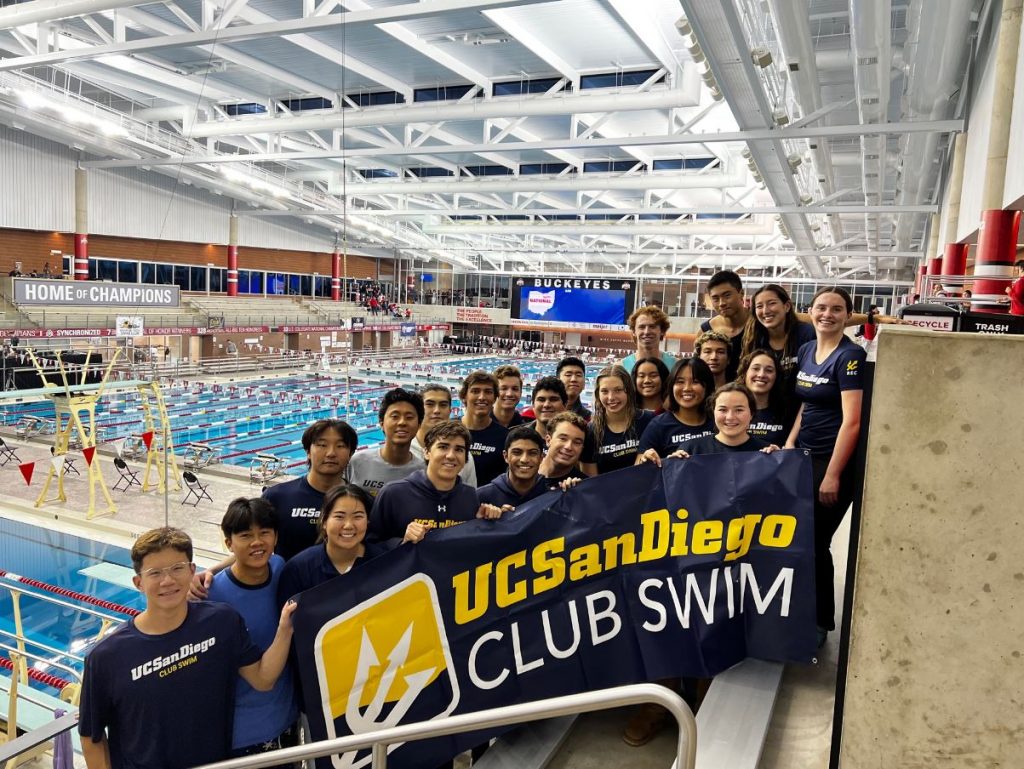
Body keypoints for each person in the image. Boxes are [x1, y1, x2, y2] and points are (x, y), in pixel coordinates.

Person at [79, 528, 296, 769]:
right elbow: (92, 737)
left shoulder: (222, 622)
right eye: (155, 573)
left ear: (192, 571)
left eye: (177, 568)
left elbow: (263, 678)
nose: (168, 580)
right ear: (138, 582)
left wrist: (286, 627)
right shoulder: (107, 657)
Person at [190, 419, 357, 599]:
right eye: (322, 445)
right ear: (308, 451)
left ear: (350, 453)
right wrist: (212, 571)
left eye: (340, 446)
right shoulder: (278, 496)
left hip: (341, 598)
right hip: (286, 597)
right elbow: (254, 546)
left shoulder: (359, 504)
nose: (331, 453)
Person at [785, 286, 867, 648]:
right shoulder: (806, 350)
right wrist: (790, 443)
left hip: (832, 463)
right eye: (821, 308)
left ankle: (820, 624)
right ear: (810, 311)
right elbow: (806, 403)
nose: (828, 314)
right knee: (797, 539)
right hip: (803, 456)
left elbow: (852, 422)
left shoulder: (851, 356)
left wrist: (832, 473)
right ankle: (798, 612)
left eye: (837, 309)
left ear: (847, 316)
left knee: (816, 541)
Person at [207, 499, 298, 760]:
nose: (257, 542)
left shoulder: (280, 566)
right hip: (242, 732)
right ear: (229, 543)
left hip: (287, 720)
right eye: (246, 536)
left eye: (264, 534)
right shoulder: (211, 597)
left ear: (275, 537)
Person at [368, 421, 504, 547]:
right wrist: (402, 542)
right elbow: (370, 547)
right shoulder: (393, 494)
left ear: (465, 458)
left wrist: (493, 520)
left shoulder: (470, 496)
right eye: (443, 447)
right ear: (426, 452)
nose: (451, 455)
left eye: (459, 449)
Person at [277, 484, 386, 604]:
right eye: (339, 517)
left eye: (358, 516)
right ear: (324, 521)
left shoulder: (384, 562)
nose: (348, 525)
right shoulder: (298, 569)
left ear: (367, 521)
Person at [347, 388, 425, 498]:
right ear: (381, 423)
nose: (402, 422)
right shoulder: (356, 462)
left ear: (419, 425)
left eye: (409, 417)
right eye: (395, 416)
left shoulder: (423, 471)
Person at [636, 357, 716, 461]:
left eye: (695, 381)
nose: (687, 388)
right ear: (671, 386)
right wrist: (649, 460)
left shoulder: (718, 421)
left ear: (707, 386)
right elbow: (638, 467)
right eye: (680, 381)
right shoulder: (659, 426)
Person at [741, 284, 816, 388]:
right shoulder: (754, 337)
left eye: (771, 303)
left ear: (787, 306)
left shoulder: (806, 334)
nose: (765, 311)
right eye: (759, 306)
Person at [674, 383, 779, 457]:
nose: (730, 417)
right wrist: (673, 466)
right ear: (713, 412)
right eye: (723, 410)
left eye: (739, 410)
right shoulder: (691, 450)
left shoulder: (766, 453)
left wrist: (780, 462)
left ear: (751, 413)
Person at [524, 376, 598, 477]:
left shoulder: (584, 437)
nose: (546, 404)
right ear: (533, 404)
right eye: (541, 399)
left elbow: (589, 482)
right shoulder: (518, 437)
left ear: (565, 404)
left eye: (553, 399)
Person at [591, 365, 654, 474]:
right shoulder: (591, 431)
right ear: (598, 394)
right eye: (604, 391)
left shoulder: (648, 420)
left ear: (628, 391)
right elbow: (590, 481)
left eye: (618, 390)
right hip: (605, 491)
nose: (611, 397)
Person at [410, 383, 477, 486]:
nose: (437, 410)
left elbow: (469, 496)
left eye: (443, 405)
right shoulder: (405, 449)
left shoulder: (463, 456)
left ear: (450, 410)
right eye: (430, 404)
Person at [477, 426, 548, 507]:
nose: (524, 459)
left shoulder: (551, 496)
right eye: (517, 452)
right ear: (506, 456)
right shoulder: (480, 497)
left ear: (541, 458)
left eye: (532, 453)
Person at [460, 371, 508, 486]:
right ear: (464, 397)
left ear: (495, 398)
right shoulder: (448, 432)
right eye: (475, 391)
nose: (482, 397)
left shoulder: (505, 436)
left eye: (488, 392)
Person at [737, 349, 788, 446]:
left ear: (776, 376)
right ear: (745, 373)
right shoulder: (730, 410)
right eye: (756, 368)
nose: (761, 375)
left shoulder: (787, 412)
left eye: (769, 370)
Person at [537, 412, 591, 487]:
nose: (568, 447)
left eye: (577, 442)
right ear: (548, 440)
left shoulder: (583, 486)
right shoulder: (525, 470)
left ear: (582, 448)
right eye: (563, 439)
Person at [620, 306, 677, 372]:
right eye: (642, 327)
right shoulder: (621, 368)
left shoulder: (676, 367)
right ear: (634, 331)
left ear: (662, 331)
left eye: (652, 327)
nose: (646, 332)